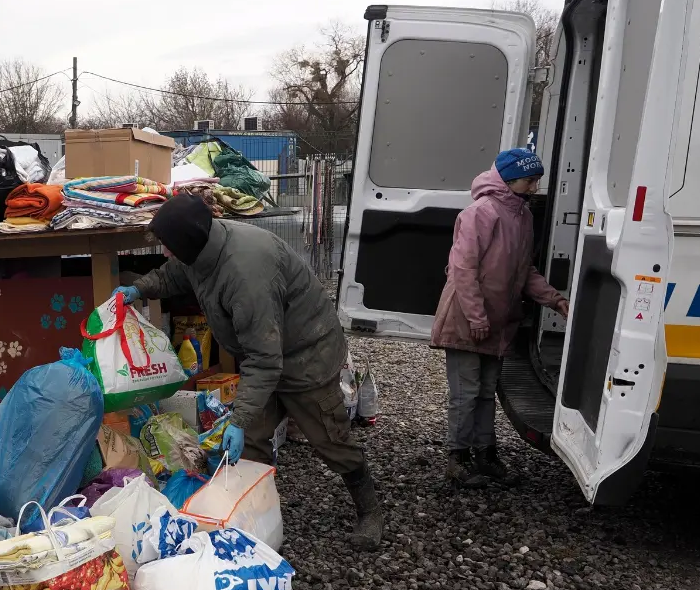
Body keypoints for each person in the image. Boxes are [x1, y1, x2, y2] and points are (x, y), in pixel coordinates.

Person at [114, 193, 384, 550]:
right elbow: (175, 273)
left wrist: (237, 419)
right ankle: (256, 515)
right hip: (266, 352)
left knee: (329, 439)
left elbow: (264, 360)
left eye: (167, 246)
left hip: (306, 354)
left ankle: (370, 509)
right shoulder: (201, 249)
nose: (165, 252)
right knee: (252, 442)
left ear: (187, 242)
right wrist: (139, 289)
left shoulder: (245, 273)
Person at [430, 148, 569, 487]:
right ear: (509, 179)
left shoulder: (522, 217)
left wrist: (555, 299)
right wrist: (477, 317)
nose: (535, 188)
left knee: (486, 391)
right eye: (529, 180)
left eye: (536, 181)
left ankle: (485, 454)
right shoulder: (480, 213)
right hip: (467, 321)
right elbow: (463, 270)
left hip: (496, 323)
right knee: (465, 393)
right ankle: (457, 459)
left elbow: (525, 270)